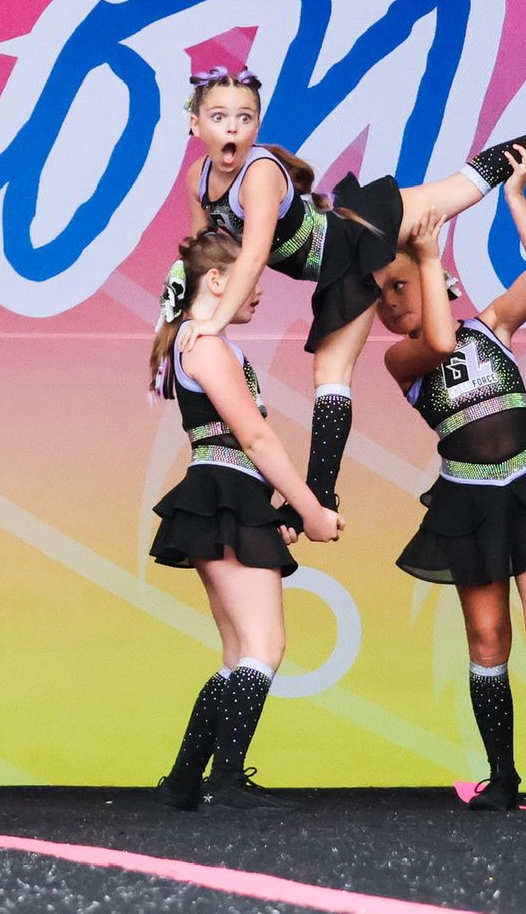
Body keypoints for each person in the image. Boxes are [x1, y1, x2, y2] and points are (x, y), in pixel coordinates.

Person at [181, 67, 526, 513]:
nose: (232, 127)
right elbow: (204, 254)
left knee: (463, 188)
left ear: (257, 124)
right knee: (329, 379)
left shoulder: (258, 174)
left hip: (356, 231)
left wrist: (213, 322)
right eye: (219, 117)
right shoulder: (197, 178)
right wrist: (185, 320)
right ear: (195, 124)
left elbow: (253, 255)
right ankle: (317, 498)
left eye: (245, 117)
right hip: (338, 273)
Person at [375, 152, 526, 810]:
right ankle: (501, 777)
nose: (390, 304)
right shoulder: (402, 358)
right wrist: (422, 254)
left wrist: (517, 195)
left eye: (399, 287)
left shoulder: (492, 328)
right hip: (469, 500)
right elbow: (441, 344)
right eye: (381, 294)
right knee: (487, 639)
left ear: (434, 279)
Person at [149, 227, 342, 811]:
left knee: (239, 652)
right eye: (251, 280)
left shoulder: (203, 341)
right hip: (225, 490)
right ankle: (226, 780)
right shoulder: (204, 345)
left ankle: (186, 780)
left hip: (226, 493)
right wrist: (310, 509)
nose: (259, 293)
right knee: (264, 644)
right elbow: (254, 436)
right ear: (215, 282)